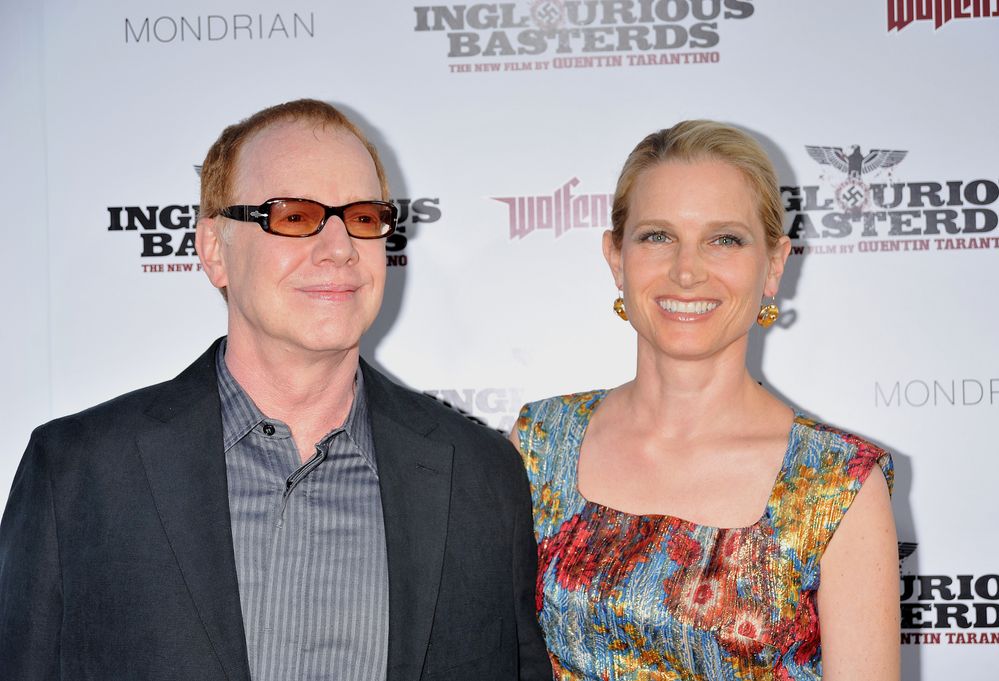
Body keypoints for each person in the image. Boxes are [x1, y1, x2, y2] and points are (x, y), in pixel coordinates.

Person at [0, 99, 551, 681]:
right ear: (215, 250)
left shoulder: (481, 475)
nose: (340, 248)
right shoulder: (78, 472)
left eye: (363, 218)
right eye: (293, 216)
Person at [511, 121, 899, 680]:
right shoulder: (539, 444)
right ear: (616, 257)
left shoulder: (837, 484)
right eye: (657, 236)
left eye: (725, 239)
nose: (687, 270)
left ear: (774, 264)